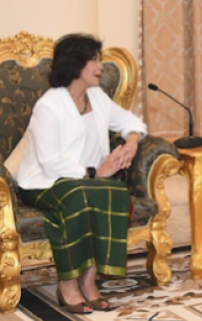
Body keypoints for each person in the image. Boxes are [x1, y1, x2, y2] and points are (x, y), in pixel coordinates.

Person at [16, 33, 146, 313]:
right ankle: (68, 284)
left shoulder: (97, 97)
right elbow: (50, 163)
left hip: (88, 184)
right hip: (42, 183)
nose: (101, 66)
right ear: (74, 64)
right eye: (94, 60)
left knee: (115, 191)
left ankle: (88, 281)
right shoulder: (49, 106)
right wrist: (95, 172)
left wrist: (132, 143)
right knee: (81, 194)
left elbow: (131, 121)